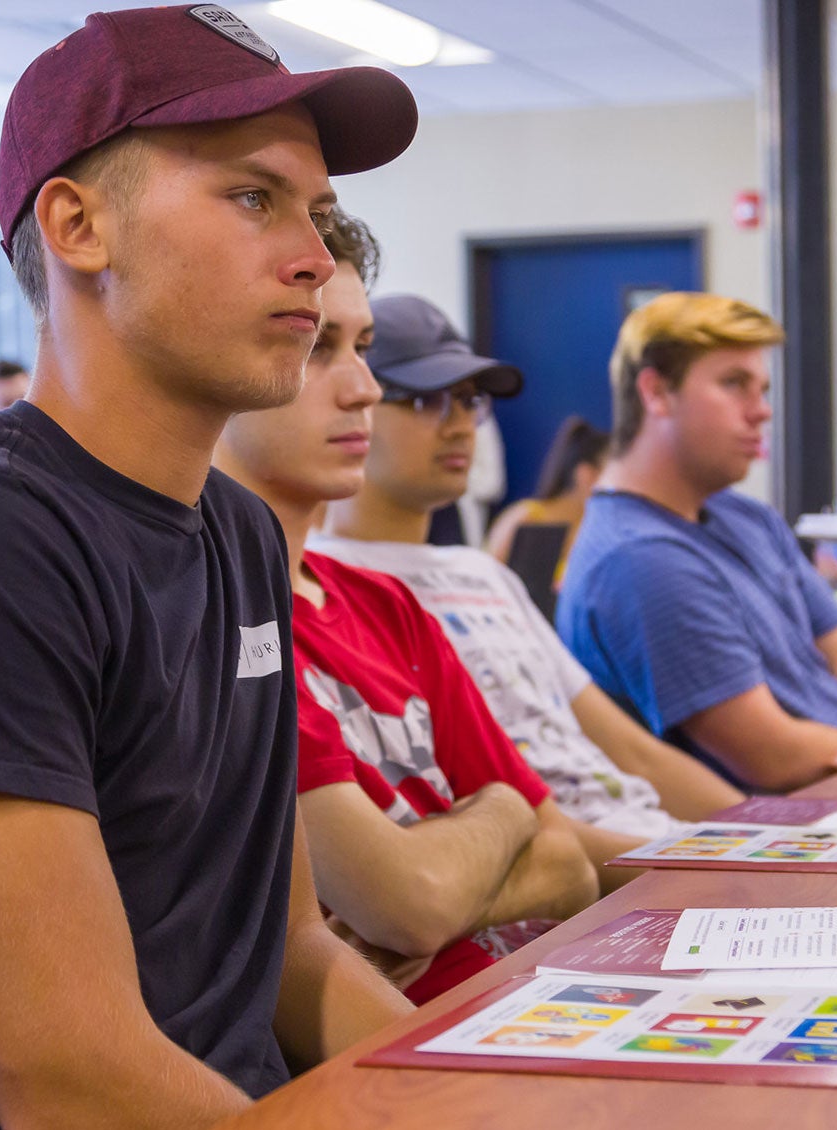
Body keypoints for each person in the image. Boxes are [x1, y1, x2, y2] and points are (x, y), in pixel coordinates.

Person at [0, 8, 420, 1125]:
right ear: (77, 226)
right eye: (253, 197)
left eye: (318, 212)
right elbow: (67, 1077)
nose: (318, 257)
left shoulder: (238, 530)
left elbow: (290, 952)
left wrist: (473, 1093)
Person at [216, 216, 603, 1005]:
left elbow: (569, 864)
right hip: (433, 1040)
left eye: (359, 349)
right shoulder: (215, 614)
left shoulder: (385, 604)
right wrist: (500, 822)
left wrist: (468, 850)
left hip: (535, 998)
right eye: (318, 346)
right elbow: (406, 900)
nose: (362, 388)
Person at [317, 296, 743, 839]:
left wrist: (767, 833)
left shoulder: (486, 575)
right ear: (357, 399)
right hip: (584, 873)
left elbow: (636, 753)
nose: (460, 426)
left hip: (643, 841)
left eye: (469, 401)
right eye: (425, 401)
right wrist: (677, 863)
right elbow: (474, 815)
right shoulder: (325, 583)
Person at [556, 292, 837, 792]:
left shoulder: (745, 516)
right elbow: (775, 758)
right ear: (657, 392)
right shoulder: (640, 559)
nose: (763, 412)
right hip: (788, 834)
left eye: (763, 389)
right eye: (734, 384)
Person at [484, 415, 609, 584]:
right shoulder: (526, 517)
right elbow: (487, 577)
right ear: (585, 475)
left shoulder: (592, 533)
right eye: (609, 474)